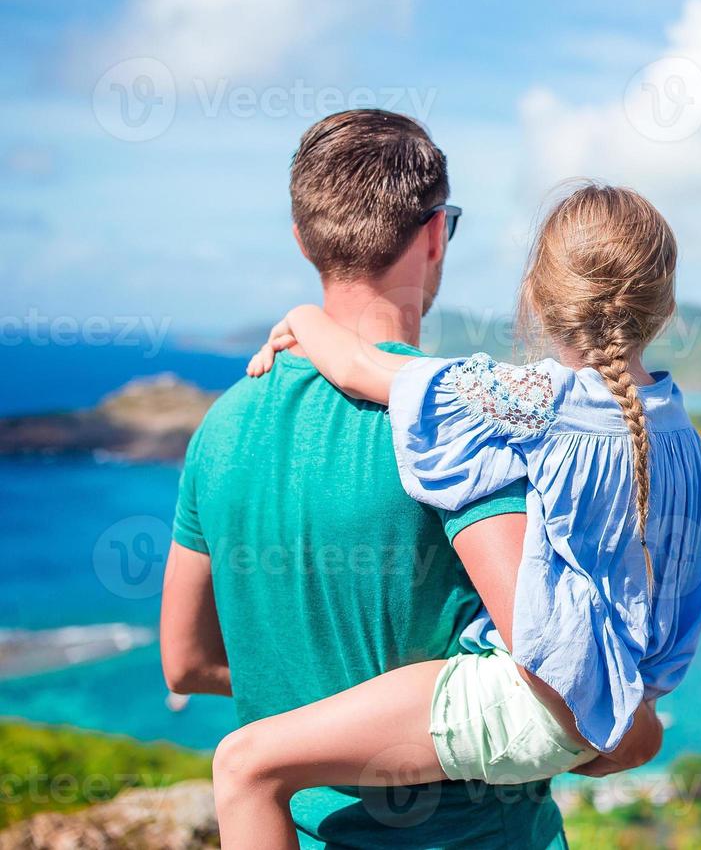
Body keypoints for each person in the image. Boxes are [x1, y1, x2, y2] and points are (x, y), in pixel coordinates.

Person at [159, 111, 661, 849]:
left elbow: (187, 661)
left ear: (304, 241)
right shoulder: (463, 427)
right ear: (435, 234)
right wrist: (634, 732)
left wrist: (315, 708)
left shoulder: (220, 430)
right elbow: (565, 684)